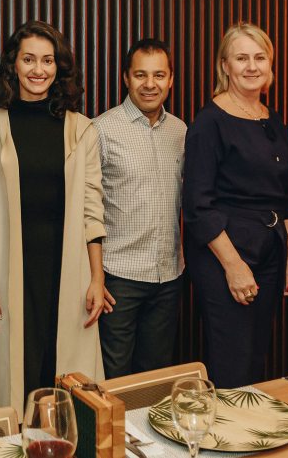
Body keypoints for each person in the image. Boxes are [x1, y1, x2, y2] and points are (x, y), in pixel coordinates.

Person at [0, 20, 108, 415]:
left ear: (59, 68)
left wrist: (97, 278)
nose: (38, 69)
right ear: (13, 65)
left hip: (67, 270)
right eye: (28, 59)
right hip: (7, 270)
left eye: (48, 60)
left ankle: (62, 440)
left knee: (65, 380)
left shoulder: (82, 129)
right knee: (10, 381)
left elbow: (92, 209)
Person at [182, 22, 288, 388]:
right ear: (225, 66)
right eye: (241, 58)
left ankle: (247, 422)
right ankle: (226, 425)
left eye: (259, 57)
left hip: (270, 250)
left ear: (270, 64)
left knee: (255, 357)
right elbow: (197, 206)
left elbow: (285, 194)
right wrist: (234, 267)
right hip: (225, 254)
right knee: (231, 363)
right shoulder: (210, 122)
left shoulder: (272, 118)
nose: (251, 66)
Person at [93, 38, 186, 378]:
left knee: (156, 377)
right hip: (118, 278)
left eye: (159, 75)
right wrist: (94, 276)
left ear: (170, 79)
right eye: (140, 75)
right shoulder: (101, 130)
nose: (150, 84)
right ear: (126, 78)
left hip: (169, 276)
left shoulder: (180, 131)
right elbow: (85, 209)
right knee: (113, 377)